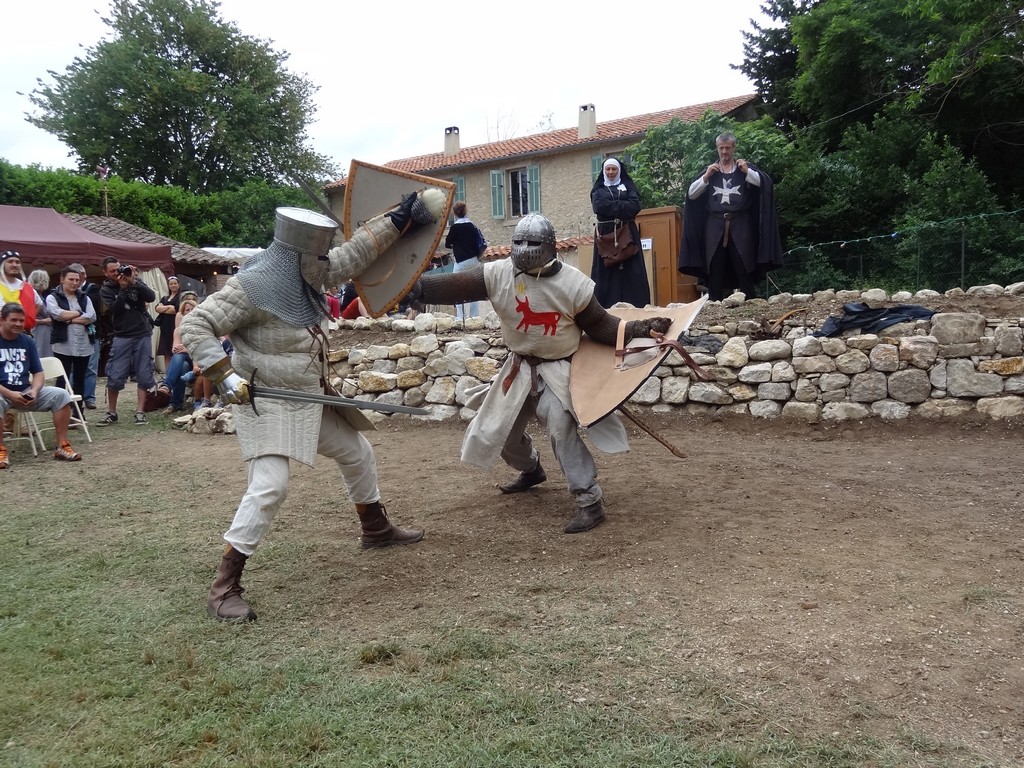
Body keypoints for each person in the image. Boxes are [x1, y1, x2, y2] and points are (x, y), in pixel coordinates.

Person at [181, 193, 443, 622]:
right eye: (319, 255)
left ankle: (375, 528)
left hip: (306, 395)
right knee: (270, 487)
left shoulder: (308, 271)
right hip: (266, 400)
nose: (326, 264)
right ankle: (224, 585)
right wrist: (225, 376)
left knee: (357, 453)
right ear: (297, 254)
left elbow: (353, 254)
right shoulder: (251, 286)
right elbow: (196, 324)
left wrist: (399, 219)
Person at [406, 213, 670, 534]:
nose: (525, 248)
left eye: (532, 242)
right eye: (519, 241)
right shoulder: (499, 273)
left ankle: (589, 501)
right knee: (499, 432)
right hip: (517, 368)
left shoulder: (573, 284)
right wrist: (416, 287)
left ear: (549, 246)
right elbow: (455, 286)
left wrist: (640, 328)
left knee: (560, 429)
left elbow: (600, 325)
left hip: (557, 371)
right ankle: (531, 469)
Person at [678, 132, 783, 301]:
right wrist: (706, 177)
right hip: (715, 226)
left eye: (727, 148)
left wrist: (747, 171)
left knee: (744, 264)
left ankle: (750, 302)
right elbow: (691, 194)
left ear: (733, 148)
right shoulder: (711, 172)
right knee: (715, 266)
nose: (724, 152)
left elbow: (765, 184)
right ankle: (714, 303)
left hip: (741, 225)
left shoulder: (743, 169)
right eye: (721, 148)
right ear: (717, 149)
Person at [0, 302, 83, 469]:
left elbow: (38, 372)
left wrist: (34, 391)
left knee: (61, 395)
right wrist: (10, 394)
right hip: (3, 393)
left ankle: (62, 446)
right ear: (2, 320)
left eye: (21, 320)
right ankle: (1, 450)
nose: (18, 324)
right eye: (14, 320)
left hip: (25, 391)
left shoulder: (27, 341)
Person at [97, 256, 158, 426]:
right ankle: (112, 412)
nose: (117, 273)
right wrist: (123, 290)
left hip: (142, 333)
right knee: (115, 374)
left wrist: (134, 282)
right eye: (112, 271)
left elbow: (151, 297)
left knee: (144, 373)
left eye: (118, 269)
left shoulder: (134, 280)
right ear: (105, 273)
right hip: (122, 335)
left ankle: (140, 412)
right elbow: (115, 310)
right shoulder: (106, 290)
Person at [590, 158, 650, 309]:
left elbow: (635, 206)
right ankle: (605, 309)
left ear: (619, 171)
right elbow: (598, 206)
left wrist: (610, 206)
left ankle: (636, 307)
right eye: (608, 169)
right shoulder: (598, 190)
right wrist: (623, 206)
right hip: (606, 235)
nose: (611, 172)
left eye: (614, 169)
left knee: (632, 271)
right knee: (606, 273)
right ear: (604, 171)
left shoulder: (629, 187)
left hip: (627, 233)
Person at [46, 264, 96, 399]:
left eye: (77, 280)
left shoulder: (84, 297)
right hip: (63, 344)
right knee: (62, 378)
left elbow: (91, 317)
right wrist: (79, 312)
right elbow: (58, 315)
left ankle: (78, 408)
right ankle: (60, 406)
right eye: (71, 279)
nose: (75, 283)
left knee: (80, 378)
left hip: (83, 343)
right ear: (62, 279)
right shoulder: (52, 297)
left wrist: (69, 320)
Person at [444, 201, 486, 319]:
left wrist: (456, 245)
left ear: (454, 213)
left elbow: (447, 243)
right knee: (475, 289)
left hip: (461, 262)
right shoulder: (472, 226)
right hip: (474, 260)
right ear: (465, 211)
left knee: (457, 288)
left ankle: (460, 317)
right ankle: (474, 317)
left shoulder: (454, 228)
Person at [160, 297, 199, 414]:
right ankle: (174, 402)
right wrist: (181, 349)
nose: (190, 312)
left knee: (180, 357)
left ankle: (167, 387)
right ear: (183, 313)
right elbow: (176, 349)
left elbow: (199, 350)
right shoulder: (178, 330)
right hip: (185, 360)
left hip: (197, 361)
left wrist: (186, 349)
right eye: (187, 310)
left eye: (192, 309)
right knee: (182, 365)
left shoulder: (200, 328)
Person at [73, 265, 103, 410]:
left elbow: (92, 314)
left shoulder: (93, 289)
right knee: (72, 368)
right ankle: (73, 397)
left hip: (91, 334)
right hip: (72, 336)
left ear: (82, 274)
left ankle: (89, 397)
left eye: (76, 277)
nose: (74, 281)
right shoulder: (63, 293)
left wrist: (71, 316)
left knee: (91, 368)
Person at [0, 251, 43, 331]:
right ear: (2, 265)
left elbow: (39, 304)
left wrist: (28, 319)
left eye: (17, 262)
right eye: (10, 262)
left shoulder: (27, 287)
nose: (14, 265)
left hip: (23, 333)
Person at [154, 276, 181, 370]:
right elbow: (157, 309)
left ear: (178, 284)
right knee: (166, 353)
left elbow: (177, 310)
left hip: (175, 326)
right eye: (171, 284)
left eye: (175, 283)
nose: (173, 285)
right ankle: (167, 373)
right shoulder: (165, 297)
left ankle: (175, 372)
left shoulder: (181, 297)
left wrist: (163, 308)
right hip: (165, 328)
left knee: (175, 351)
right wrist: (169, 307)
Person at [27, 269, 53, 357]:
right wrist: (44, 321)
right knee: (42, 355)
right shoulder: (32, 295)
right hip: (39, 330)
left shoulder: (41, 295)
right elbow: (27, 317)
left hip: (44, 330)